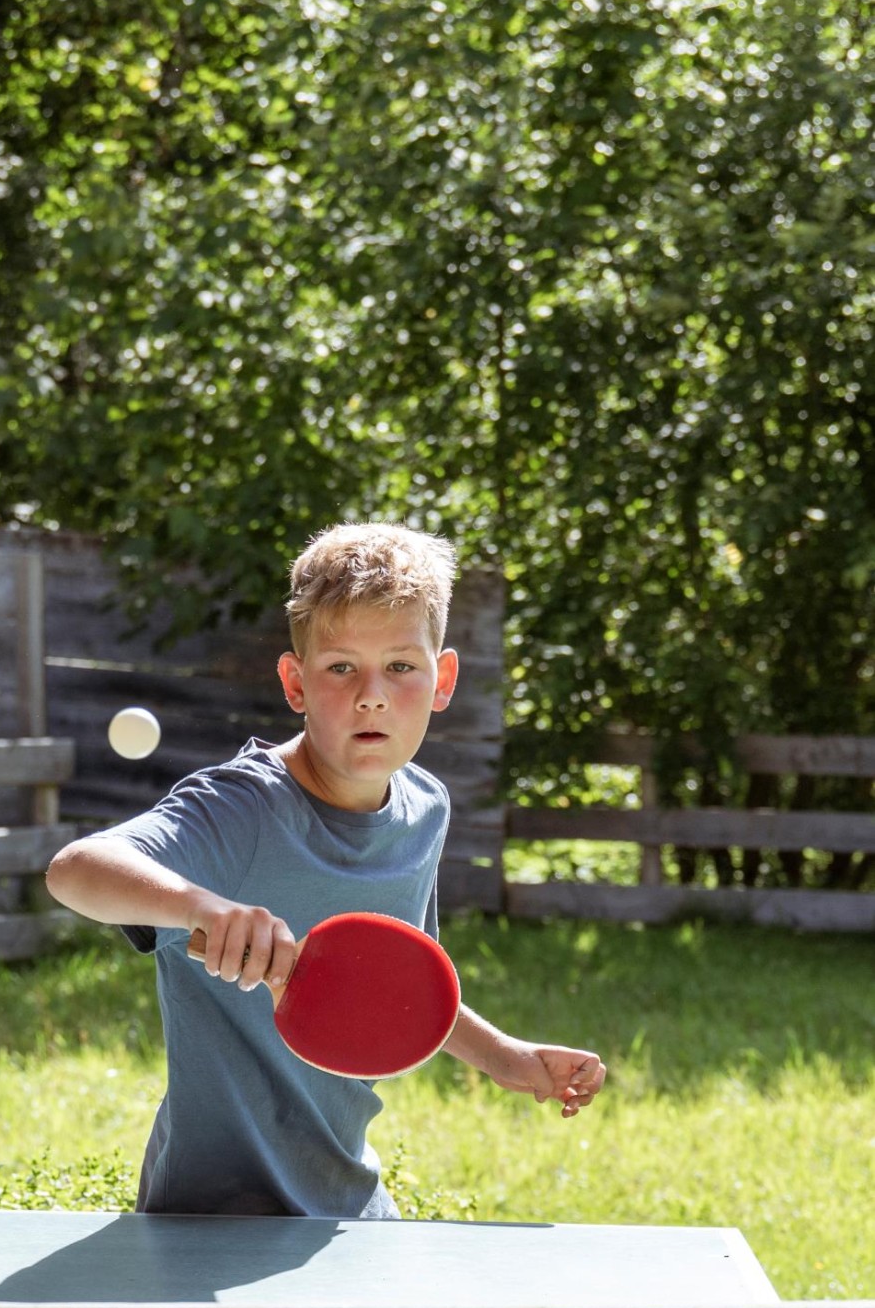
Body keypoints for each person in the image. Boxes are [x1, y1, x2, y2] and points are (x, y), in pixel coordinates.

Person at [46, 521, 606, 1217]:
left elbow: (394, 983)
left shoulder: (424, 808)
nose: (372, 695)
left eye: (401, 667)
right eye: (341, 667)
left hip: (347, 1204)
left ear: (444, 680)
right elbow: (76, 869)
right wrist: (202, 908)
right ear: (295, 683)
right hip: (212, 1214)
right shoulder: (239, 809)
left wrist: (506, 1058)